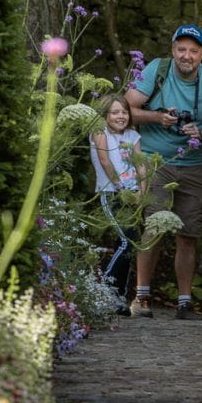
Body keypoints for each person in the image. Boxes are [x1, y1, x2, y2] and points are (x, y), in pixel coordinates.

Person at [125, 24, 202, 319]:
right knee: (154, 228)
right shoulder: (157, 70)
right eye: (181, 49)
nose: (187, 56)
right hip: (154, 161)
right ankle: (141, 298)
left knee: (189, 234)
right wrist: (158, 117)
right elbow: (126, 110)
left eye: (193, 51)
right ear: (173, 51)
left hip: (194, 165)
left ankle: (185, 302)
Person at [89, 95, 144, 315]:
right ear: (105, 115)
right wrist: (120, 186)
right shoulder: (100, 132)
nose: (120, 116)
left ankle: (119, 297)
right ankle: (104, 290)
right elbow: (104, 161)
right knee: (126, 242)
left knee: (131, 244)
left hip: (132, 194)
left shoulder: (132, 135)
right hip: (112, 193)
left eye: (124, 112)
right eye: (114, 112)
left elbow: (141, 165)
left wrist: (141, 189)